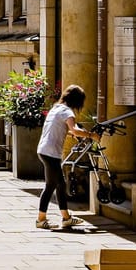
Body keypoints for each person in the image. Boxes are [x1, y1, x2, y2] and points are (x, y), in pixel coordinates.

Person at [36, 84, 91, 229]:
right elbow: (74, 129)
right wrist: (91, 135)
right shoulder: (67, 112)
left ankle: (66, 218)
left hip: (44, 149)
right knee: (51, 186)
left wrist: (71, 133)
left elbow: (61, 128)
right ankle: (41, 220)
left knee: (60, 184)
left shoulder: (56, 108)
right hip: (51, 152)